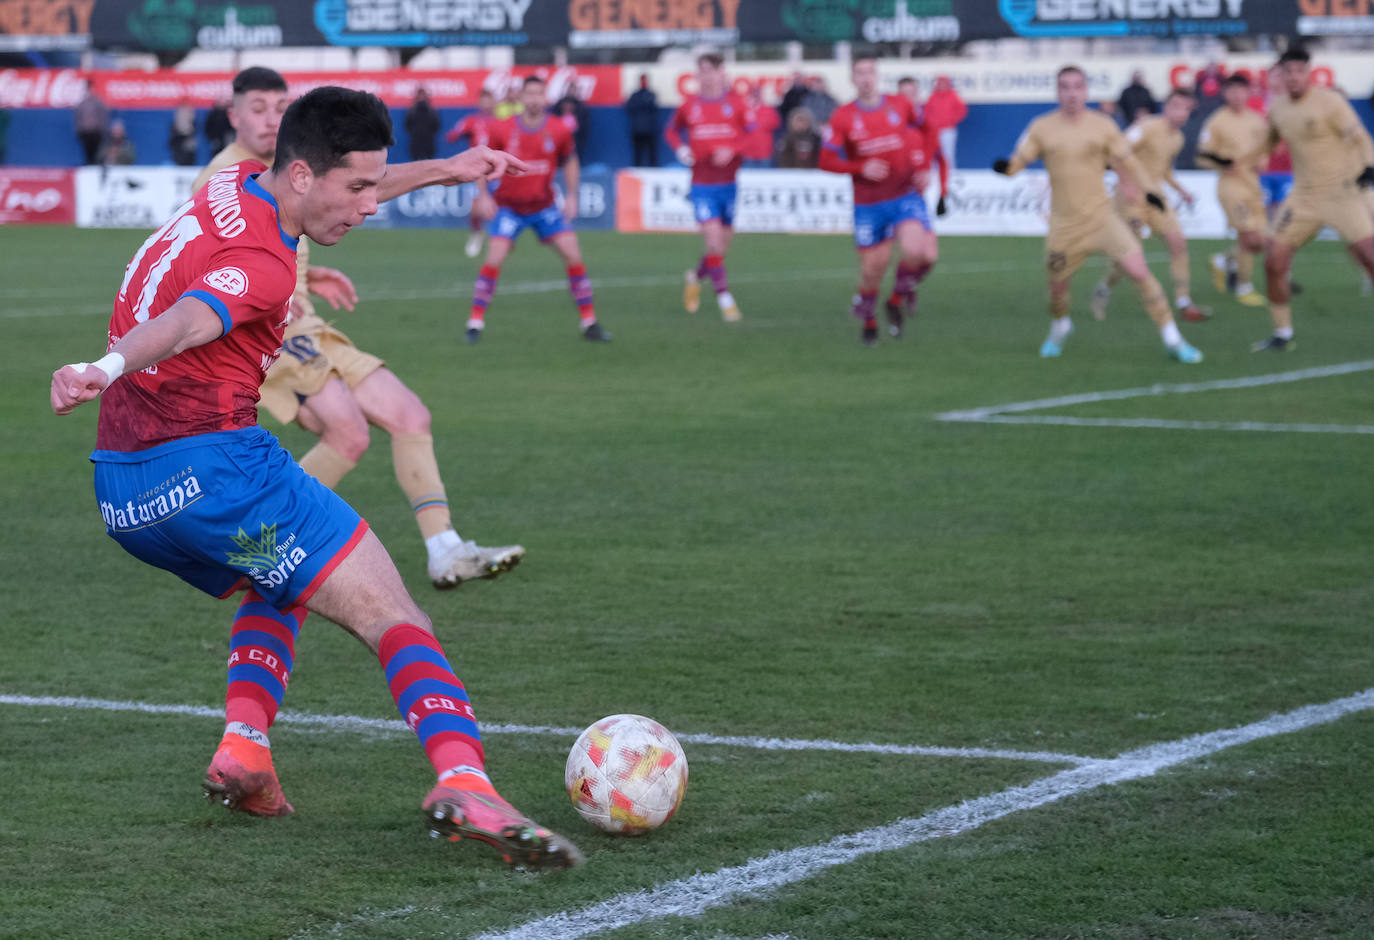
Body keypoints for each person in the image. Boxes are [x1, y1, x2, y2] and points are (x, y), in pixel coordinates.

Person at [48, 85, 583, 872]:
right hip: (218, 470)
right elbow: (192, 318)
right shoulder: (264, 266)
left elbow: (333, 191)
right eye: (357, 188)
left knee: (278, 580)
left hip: (127, 494)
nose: (369, 204)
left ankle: (245, 751)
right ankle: (467, 783)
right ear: (300, 174)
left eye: (374, 184)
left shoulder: (235, 182)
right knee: (396, 616)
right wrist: (104, 365)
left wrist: (448, 169)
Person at [194, 67, 523, 588]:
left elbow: (345, 190)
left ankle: (445, 550)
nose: (271, 118)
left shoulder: (284, 169)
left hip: (306, 322)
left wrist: (308, 275)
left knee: (409, 414)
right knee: (347, 433)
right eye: (257, 108)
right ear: (232, 116)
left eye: (279, 107)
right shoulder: (223, 175)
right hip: (266, 332)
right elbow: (206, 261)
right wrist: (446, 168)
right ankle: (258, 544)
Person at [993, 66, 1203, 363]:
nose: (1072, 93)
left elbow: (1129, 161)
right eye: (1065, 87)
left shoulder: (1103, 126)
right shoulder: (1041, 127)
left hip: (1102, 219)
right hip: (1064, 226)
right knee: (1057, 291)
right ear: (1058, 91)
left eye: (1077, 86)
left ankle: (1173, 339)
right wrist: (1007, 168)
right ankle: (1060, 325)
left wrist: (1148, 190)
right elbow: (1020, 159)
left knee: (1139, 271)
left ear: (1086, 91)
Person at [1247, 48, 1374, 352]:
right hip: (1302, 198)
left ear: (1309, 73)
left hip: (1341, 193)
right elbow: (1268, 142)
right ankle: (1282, 333)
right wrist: (1243, 161)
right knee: (1274, 262)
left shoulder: (1330, 102)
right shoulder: (1278, 108)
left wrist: (1369, 166)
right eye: (1288, 71)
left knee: (1370, 257)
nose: (1293, 77)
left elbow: (1360, 137)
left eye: (1299, 71)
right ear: (1281, 75)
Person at [467, 75, 610, 344]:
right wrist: (483, 195)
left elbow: (570, 161)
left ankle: (589, 322)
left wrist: (572, 196)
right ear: (521, 97)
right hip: (509, 206)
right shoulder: (502, 128)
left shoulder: (559, 129)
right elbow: (482, 162)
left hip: (544, 206)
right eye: (529, 94)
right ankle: (474, 323)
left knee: (573, 254)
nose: (534, 99)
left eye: (539, 94)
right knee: (494, 258)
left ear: (546, 98)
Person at [820, 58, 941, 345]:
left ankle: (896, 299)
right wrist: (859, 167)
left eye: (870, 72)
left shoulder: (900, 105)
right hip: (868, 203)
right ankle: (870, 320)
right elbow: (825, 160)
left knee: (920, 252)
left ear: (877, 75)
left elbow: (930, 129)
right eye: (859, 73)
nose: (865, 78)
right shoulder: (843, 116)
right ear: (852, 78)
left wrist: (925, 166)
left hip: (903, 195)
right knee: (872, 269)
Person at [1091, 89, 1204, 323]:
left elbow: (1164, 168)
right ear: (1166, 107)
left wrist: (1181, 190)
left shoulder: (1177, 138)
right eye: (1175, 106)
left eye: (1185, 108)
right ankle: (1104, 287)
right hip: (1130, 198)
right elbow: (1117, 151)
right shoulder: (1147, 127)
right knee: (1128, 257)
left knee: (1178, 243)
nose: (1180, 112)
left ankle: (1184, 302)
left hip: (1155, 197)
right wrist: (1125, 182)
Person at [665, 53, 753, 323]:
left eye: (711, 70)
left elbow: (754, 135)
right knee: (713, 241)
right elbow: (671, 131)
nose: (706, 76)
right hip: (702, 184)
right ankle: (725, 299)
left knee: (720, 248)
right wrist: (681, 149)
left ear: (721, 73)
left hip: (729, 184)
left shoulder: (736, 104)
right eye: (701, 70)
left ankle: (695, 276)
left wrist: (733, 149)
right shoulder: (689, 105)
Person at [1196, 74, 1270, 307]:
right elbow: (1202, 156)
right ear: (1225, 93)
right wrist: (1221, 163)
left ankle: (1222, 260)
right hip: (1231, 187)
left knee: (1261, 241)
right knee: (1248, 237)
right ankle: (1244, 287)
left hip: (1253, 186)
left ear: (1248, 92)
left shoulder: (1257, 120)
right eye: (1232, 90)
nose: (1237, 95)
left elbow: (1265, 148)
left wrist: (1263, 159)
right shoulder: (1216, 121)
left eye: (1241, 90)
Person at [447, 89, 500, 258]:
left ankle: (498, 238)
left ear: (495, 102)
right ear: (479, 103)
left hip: (497, 170)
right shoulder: (471, 121)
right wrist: (457, 132)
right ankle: (477, 234)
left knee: (499, 207)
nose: (487, 104)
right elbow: (452, 135)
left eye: (489, 100)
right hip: (477, 171)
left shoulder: (502, 122)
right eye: (484, 100)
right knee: (476, 208)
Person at [924, 75, 967, 169]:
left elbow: (962, 111)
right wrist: (932, 123)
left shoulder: (953, 96)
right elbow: (927, 111)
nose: (942, 85)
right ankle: (936, 171)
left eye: (944, 83)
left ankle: (949, 171)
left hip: (948, 129)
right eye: (940, 83)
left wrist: (951, 120)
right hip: (934, 130)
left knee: (948, 152)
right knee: (934, 151)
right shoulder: (933, 96)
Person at [625, 74, 660, 167]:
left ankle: (654, 171)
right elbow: (629, 108)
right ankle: (637, 171)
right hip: (637, 130)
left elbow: (654, 108)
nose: (643, 82)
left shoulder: (651, 95)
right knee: (637, 154)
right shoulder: (635, 95)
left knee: (652, 154)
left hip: (650, 129)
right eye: (642, 80)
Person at [742, 84, 779, 167]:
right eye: (754, 94)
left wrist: (757, 123)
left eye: (758, 94)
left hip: (764, 153)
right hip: (748, 153)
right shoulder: (744, 110)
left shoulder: (768, 110)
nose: (756, 96)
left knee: (765, 174)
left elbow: (775, 123)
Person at [73, 81, 109, 165]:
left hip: (96, 133)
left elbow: (103, 116)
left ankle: (95, 167)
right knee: (87, 154)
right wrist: (79, 131)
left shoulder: (98, 102)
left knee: (97, 154)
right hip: (85, 133)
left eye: (90, 89)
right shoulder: (82, 103)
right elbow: (77, 118)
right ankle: (89, 166)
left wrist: (103, 130)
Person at [554, 86, 590, 161]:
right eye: (566, 104)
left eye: (570, 104)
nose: (568, 106)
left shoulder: (580, 112)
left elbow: (581, 131)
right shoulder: (556, 113)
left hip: (573, 142)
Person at [404, 87, 440, 161]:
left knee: (429, 164)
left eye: (423, 95)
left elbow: (436, 125)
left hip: (429, 142)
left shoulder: (432, 111)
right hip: (415, 143)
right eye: (420, 95)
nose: (421, 97)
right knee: (416, 163)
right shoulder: (411, 111)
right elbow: (407, 125)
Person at [169, 101, 199, 166]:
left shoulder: (194, 126)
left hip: (190, 158)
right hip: (178, 157)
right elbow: (171, 143)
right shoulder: (174, 127)